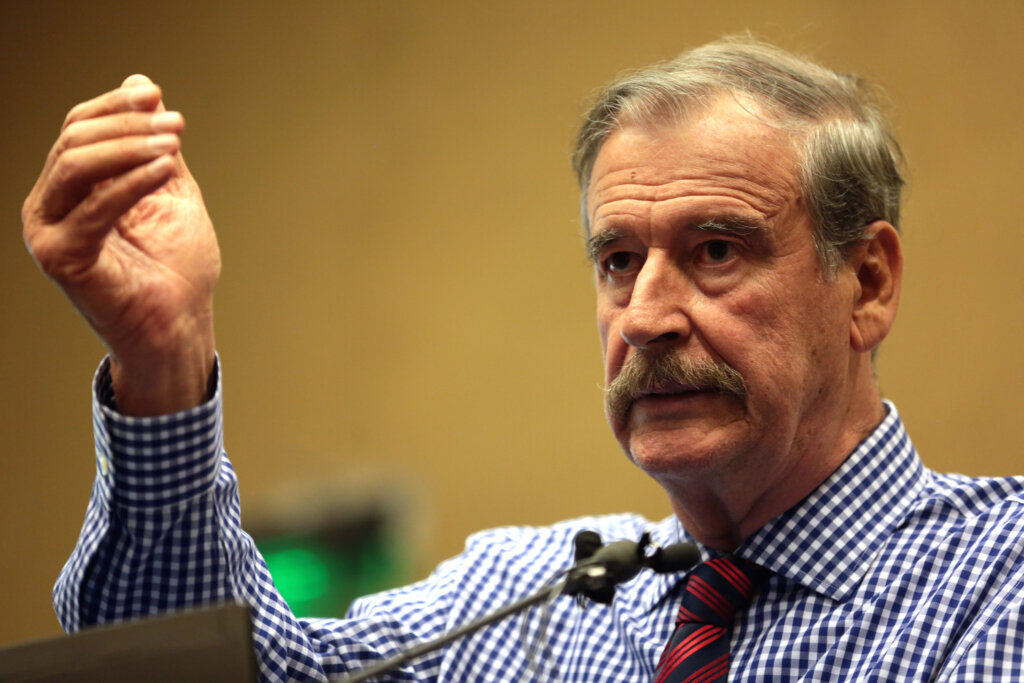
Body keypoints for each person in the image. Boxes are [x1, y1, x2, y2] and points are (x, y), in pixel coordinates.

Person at [23, 37, 1024, 682]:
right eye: (617, 260)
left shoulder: (997, 582)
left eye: (716, 251)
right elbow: (190, 668)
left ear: (868, 282)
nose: (647, 314)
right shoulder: (530, 599)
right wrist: (163, 358)